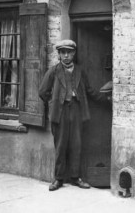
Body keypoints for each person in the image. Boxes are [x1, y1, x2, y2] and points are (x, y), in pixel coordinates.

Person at [39, 39, 111, 191]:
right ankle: (58, 179)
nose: (66, 56)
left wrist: (106, 99)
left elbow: (90, 91)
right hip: (60, 113)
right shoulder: (53, 71)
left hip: (77, 110)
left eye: (69, 52)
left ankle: (75, 177)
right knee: (60, 146)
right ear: (59, 54)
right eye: (63, 52)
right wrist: (55, 104)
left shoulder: (80, 71)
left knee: (76, 145)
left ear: (73, 53)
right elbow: (43, 92)